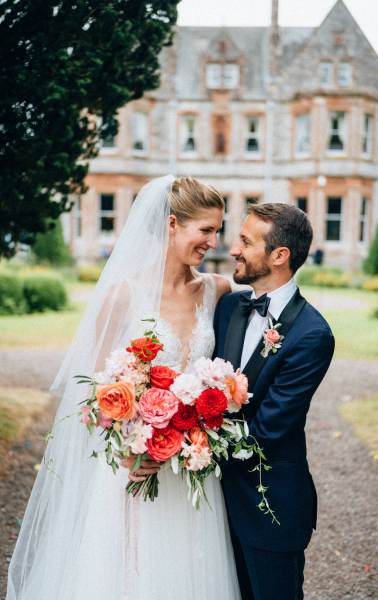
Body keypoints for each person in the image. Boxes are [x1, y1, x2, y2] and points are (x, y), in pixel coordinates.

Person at [6, 175, 240, 600]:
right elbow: (96, 395)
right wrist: (136, 445)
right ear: (172, 224)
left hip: (192, 466)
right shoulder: (123, 297)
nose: (213, 241)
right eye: (205, 230)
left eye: (217, 230)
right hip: (133, 466)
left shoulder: (217, 290)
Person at [213, 203, 335, 600]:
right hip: (211, 507)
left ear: (279, 256)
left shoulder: (312, 334)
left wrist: (188, 447)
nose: (234, 249)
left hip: (270, 508)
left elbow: (267, 429)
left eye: (246, 242)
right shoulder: (229, 307)